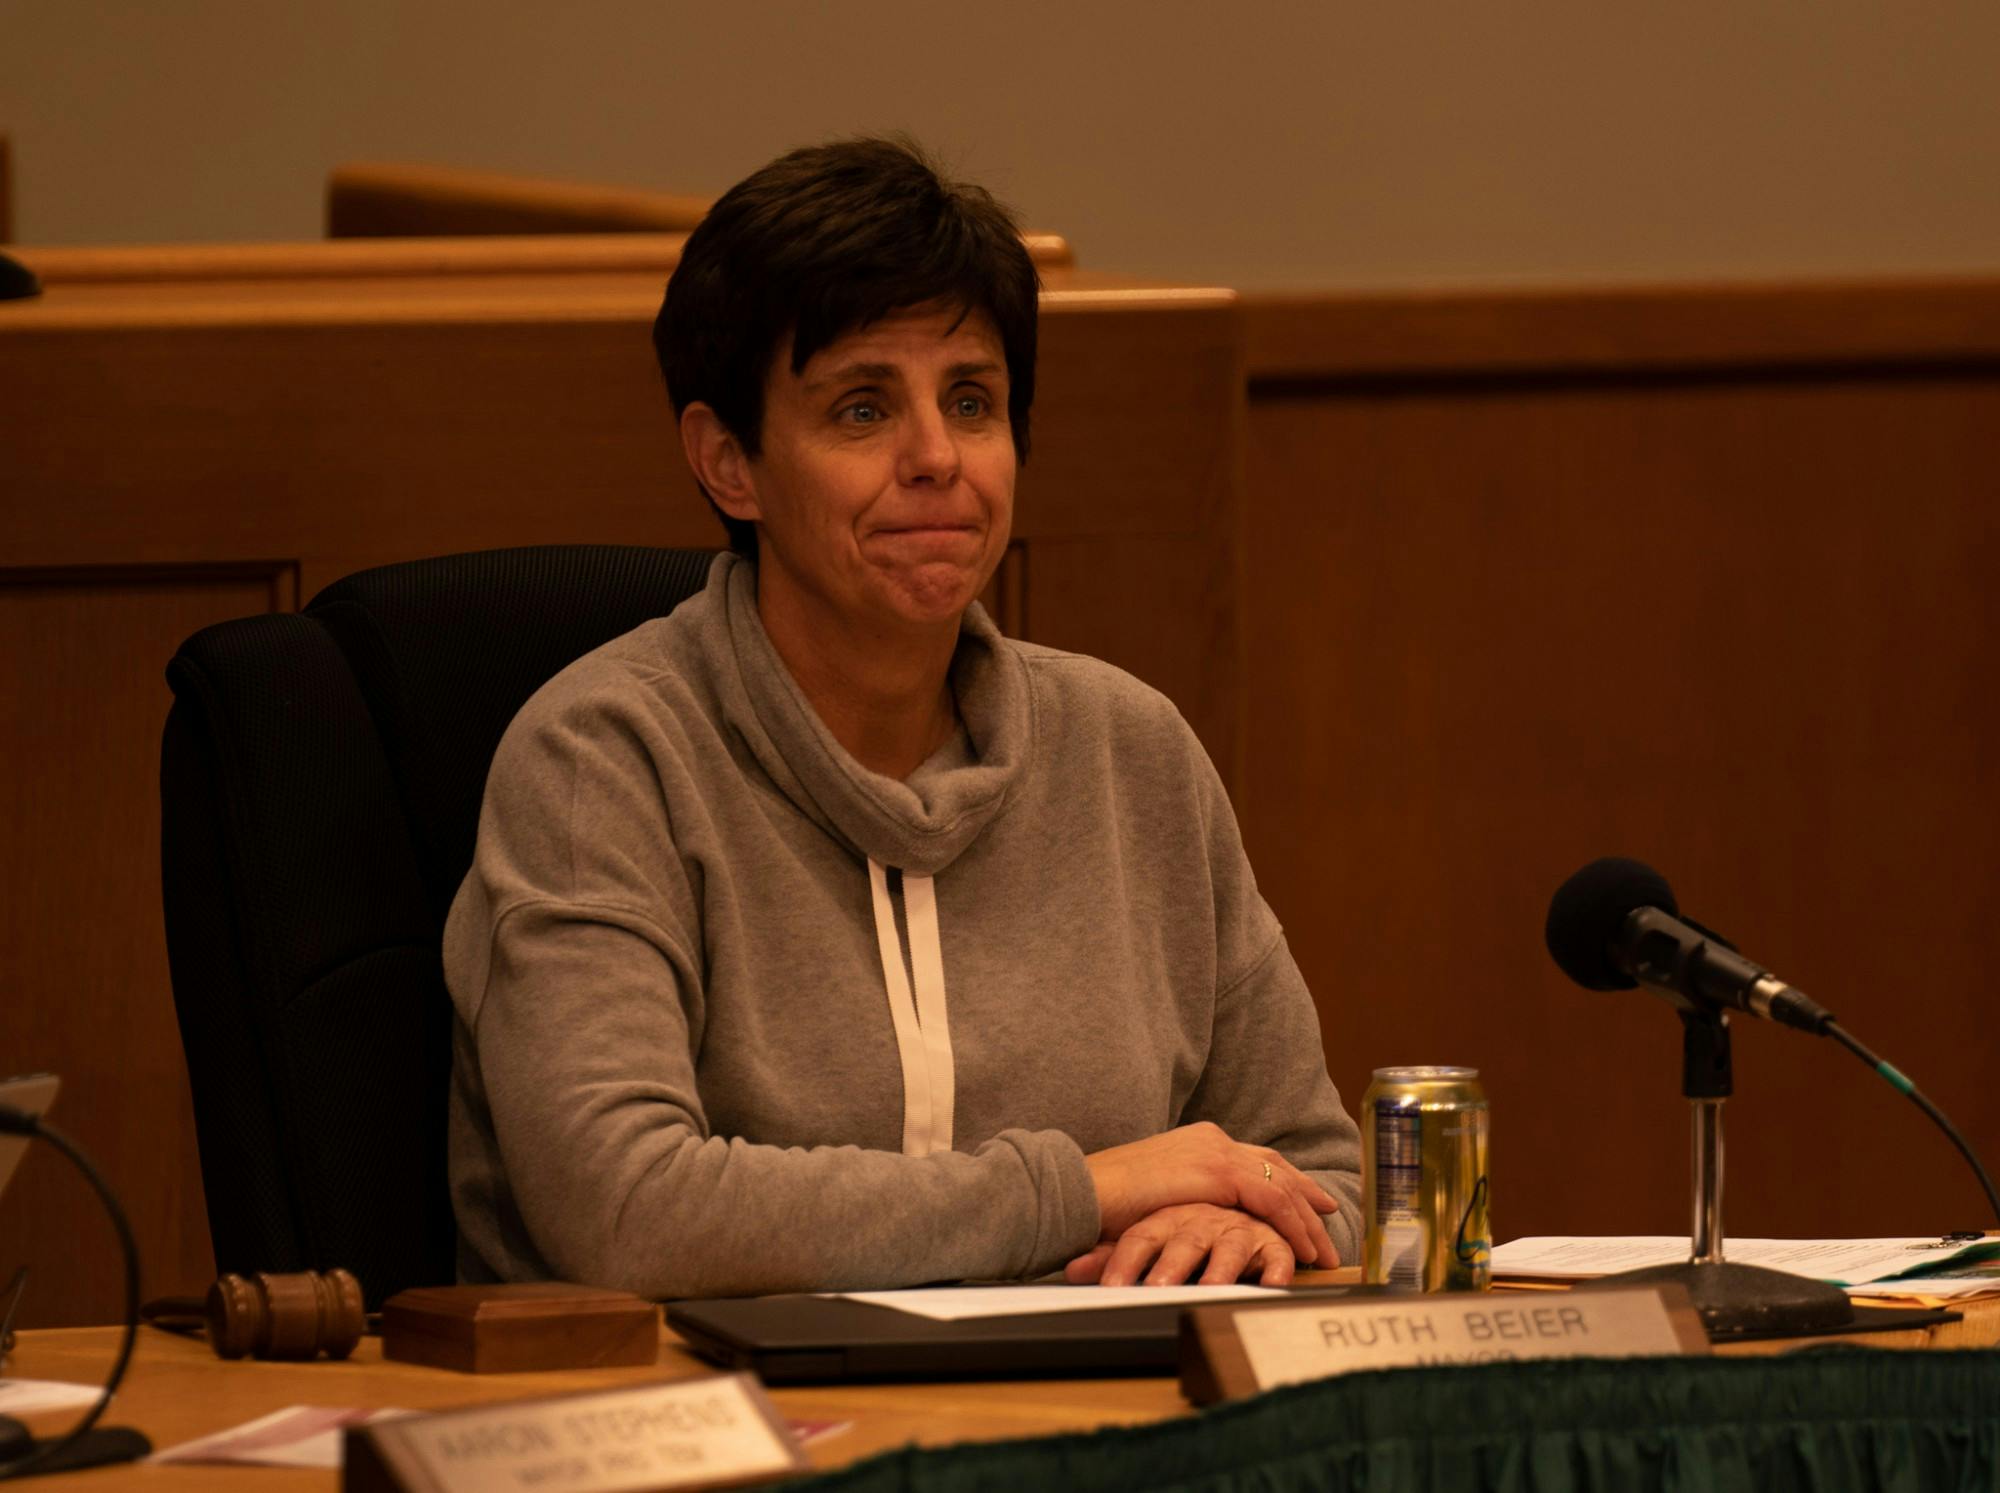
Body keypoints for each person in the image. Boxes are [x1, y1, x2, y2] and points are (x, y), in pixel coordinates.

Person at [444, 137, 1362, 1300]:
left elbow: (1319, 1162)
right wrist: (1086, 1188)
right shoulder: (605, 758)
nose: (936, 458)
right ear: (728, 461)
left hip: (1092, 1413)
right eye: (863, 407)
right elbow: (626, 1209)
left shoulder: (1132, 752)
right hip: (710, 1441)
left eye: (971, 401)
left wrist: (1261, 1227)